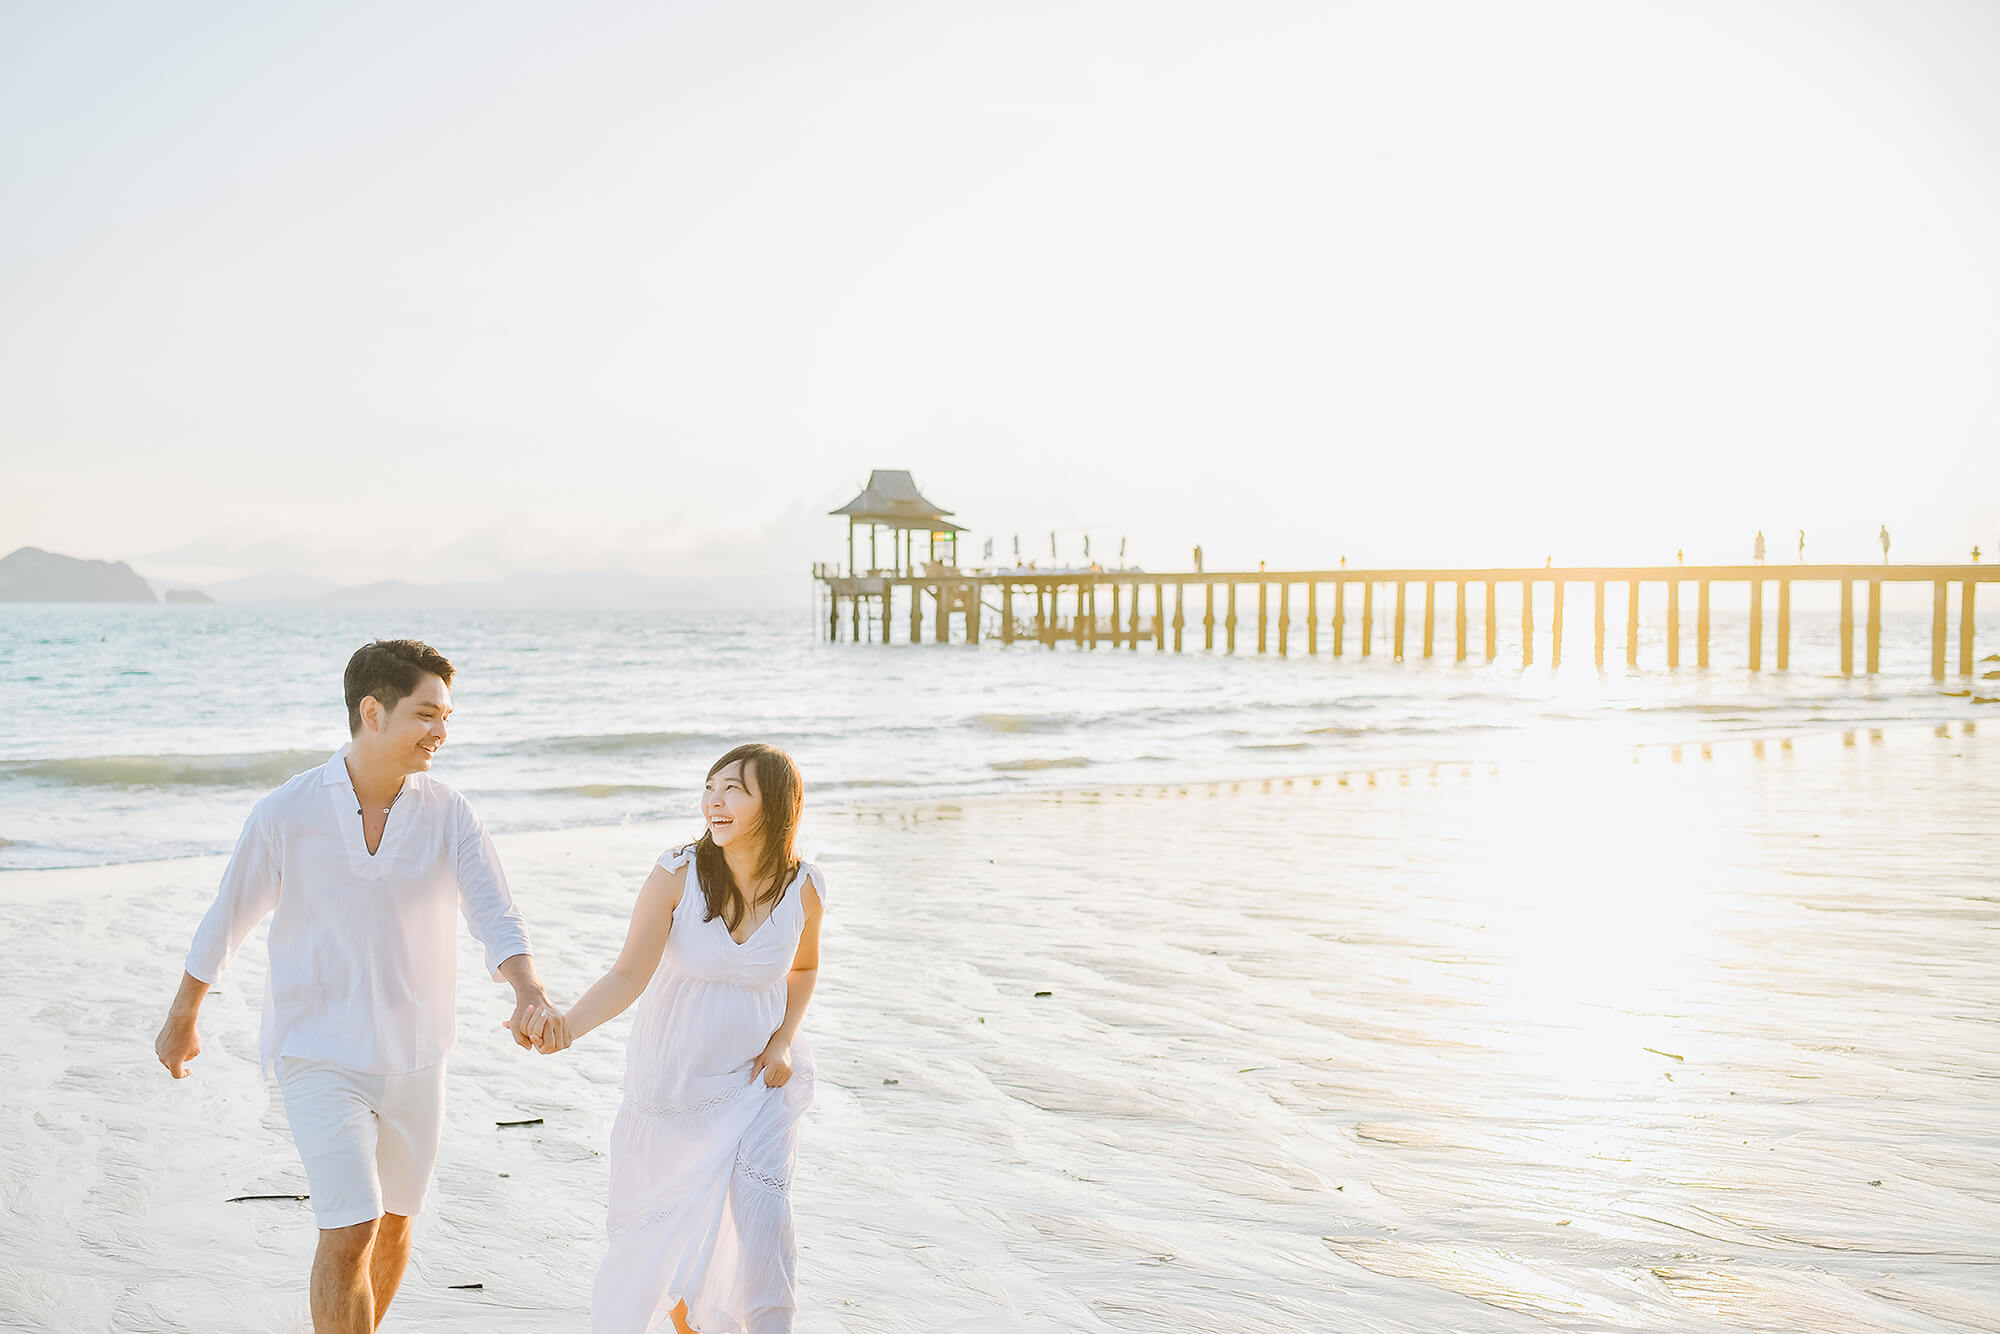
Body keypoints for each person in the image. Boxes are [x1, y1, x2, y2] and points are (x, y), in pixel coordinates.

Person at [154, 639, 554, 1334]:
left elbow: (494, 910)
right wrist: (183, 1012)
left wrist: (527, 990)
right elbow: (228, 916)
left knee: (396, 1225)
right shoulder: (287, 811)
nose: (442, 732)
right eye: (427, 714)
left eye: (447, 716)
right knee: (351, 1226)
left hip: (417, 1053)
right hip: (317, 1051)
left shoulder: (449, 812)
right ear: (373, 711)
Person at [531, 744, 826, 1334]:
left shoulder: (804, 885)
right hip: (674, 1088)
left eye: (734, 789)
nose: (714, 801)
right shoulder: (677, 872)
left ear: (777, 803)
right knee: (674, 1237)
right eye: (710, 787)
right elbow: (628, 974)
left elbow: (802, 969)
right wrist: (567, 1027)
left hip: (758, 1083)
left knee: (763, 1221)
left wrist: (784, 1041)